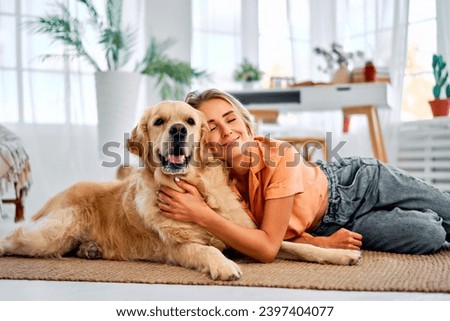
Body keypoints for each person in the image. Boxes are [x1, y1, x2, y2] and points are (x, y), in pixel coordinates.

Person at [157, 88, 450, 263]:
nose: (226, 131)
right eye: (211, 128)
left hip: (356, 183)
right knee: (430, 233)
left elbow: (267, 247)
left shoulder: (278, 155)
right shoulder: (218, 183)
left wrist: (201, 214)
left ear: (246, 125)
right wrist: (318, 241)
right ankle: (424, 216)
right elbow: (246, 241)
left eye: (231, 119)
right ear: (201, 143)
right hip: (328, 224)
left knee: (446, 208)